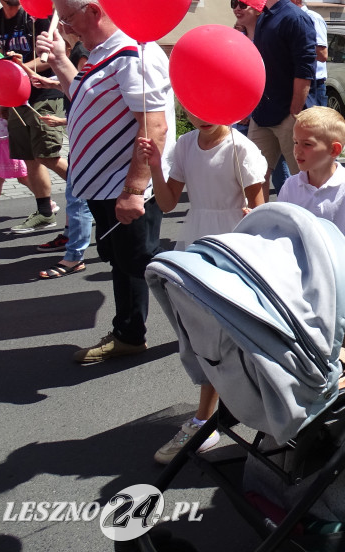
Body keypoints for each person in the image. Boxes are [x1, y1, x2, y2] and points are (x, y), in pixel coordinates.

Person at [35, 0, 175, 364]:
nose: (65, 28)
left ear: (93, 11)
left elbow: (154, 126)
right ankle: (131, 330)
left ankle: (181, 329)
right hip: (103, 185)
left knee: (139, 263)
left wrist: (133, 189)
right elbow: (82, 97)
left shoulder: (132, 54)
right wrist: (61, 61)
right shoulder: (101, 53)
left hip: (123, 187)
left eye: (67, 20)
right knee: (123, 260)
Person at [139, 111, 267, 463]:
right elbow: (166, 203)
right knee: (199, 334)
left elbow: (259, 209)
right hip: (194, 244)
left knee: (221, 336)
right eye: (193, 108)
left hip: (230, 248)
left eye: (210, 107)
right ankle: (218, 411)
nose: (201, 116)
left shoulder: (241, 148)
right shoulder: (184, 144)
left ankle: (206, 418)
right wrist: (153, 165)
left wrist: (250, 221)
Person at [278, 107, 345, 305]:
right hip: (304, 281)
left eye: (307, 144)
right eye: (295, 142)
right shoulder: (291, 186)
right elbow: (280, 227)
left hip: (342, 283)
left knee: (342, 334)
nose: (297, 150)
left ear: (334, 150)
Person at [0, 0, 68, 234]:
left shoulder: (36, 17)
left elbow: (49, 60)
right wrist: (2, 99)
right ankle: (45, 212)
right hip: (14, 98)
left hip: (43, 93)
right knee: (30, 159)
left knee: (47, 155)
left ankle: (87, 193)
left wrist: (19, 68)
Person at [247, 0, 316, 201]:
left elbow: (304, 70)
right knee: (253, 175)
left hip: (288, 115)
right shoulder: (264, 16)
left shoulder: (295, 18)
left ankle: (310, 227)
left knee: (304, 178)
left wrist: (294, 111)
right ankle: (258, 227)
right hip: (263, 114)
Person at [33, 30, 94, 279]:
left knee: (78, 197)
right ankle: (73, 238)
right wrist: (52, 83)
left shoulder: (82, 50)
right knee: (76, 194)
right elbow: (81, 87)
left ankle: (74, 257)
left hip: (88, 140)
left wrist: (63, 119)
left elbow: (86, 90)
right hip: (82, 138)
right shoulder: (82, 49)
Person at [286, 0, 329, 109]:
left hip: (313, 86)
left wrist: (297, 46)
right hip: (296, 82)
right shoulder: (288, 18)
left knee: (313, 127)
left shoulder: (312, 17)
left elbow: (322, 54)